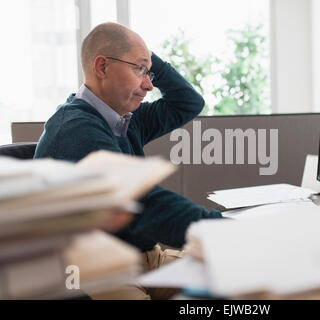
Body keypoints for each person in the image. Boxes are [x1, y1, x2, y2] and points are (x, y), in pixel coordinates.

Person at [34, 22, 223, 299]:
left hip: (146, 258)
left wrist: (142, 56)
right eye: (140, 70)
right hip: (95, 270)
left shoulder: (125, 119)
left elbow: (188, 103)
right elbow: (142, 203)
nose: (148, 85)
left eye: (148, 72)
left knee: (235, 281)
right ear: (102, 67)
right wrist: (219, 230)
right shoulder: (75, 128)